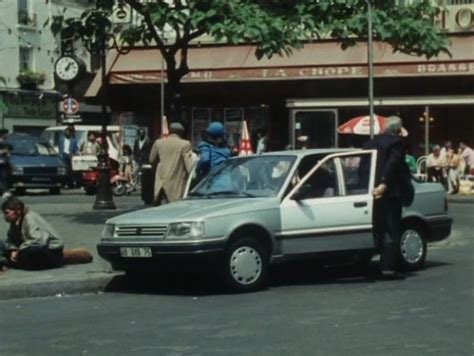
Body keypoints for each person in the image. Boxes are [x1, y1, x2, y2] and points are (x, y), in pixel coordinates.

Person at [363, 115, 413, 279]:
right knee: (391, 229)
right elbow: (393, 163)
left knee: (377, 227)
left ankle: (369, 264)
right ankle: (389, 267)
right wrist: (384, 183)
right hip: (391, 192)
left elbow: (363, 167)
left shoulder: (370, 143)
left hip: (371, 192)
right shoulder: (397, 143)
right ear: (398, 130)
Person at [149, 122, 193, 204]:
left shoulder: (158, 143)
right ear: (181, 133)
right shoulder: (185, 144)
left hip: (160, 182)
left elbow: (151, 160)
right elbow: (189, 166)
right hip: (176, 183)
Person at [0, 128, 11, 197]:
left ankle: (4, 190)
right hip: (0, 162)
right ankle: (4, 191)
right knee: (3, 177)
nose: (7, 135)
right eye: (6, 134)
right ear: (3, 134)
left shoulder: (4, 142)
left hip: (4, 162)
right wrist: (3, 152)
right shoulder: (1, 142)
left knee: (4, 177)